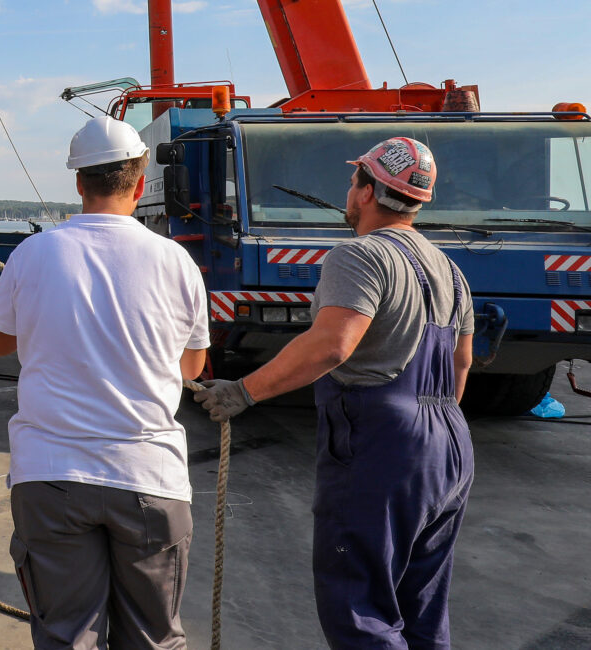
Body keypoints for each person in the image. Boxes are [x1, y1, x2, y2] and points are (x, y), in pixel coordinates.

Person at [194, 137, 475, 650]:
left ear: (368, 192)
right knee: (422, 607)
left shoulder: (360, 256)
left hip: (383, 446)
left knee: (360, 608)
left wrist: (243, 391)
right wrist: (430, 437)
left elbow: (331, 346)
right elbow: (461, 363)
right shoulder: (450, 272)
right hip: (449, 446)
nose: (349, 191)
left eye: (354, 181)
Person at [0, 116, 210, 650]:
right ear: (138, 184)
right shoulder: (176, 261)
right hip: (149, 480)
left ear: (79, 184)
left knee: (66, 637)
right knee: (154, 639)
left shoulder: (33, 253)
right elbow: (193, 368)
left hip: (51, 475)